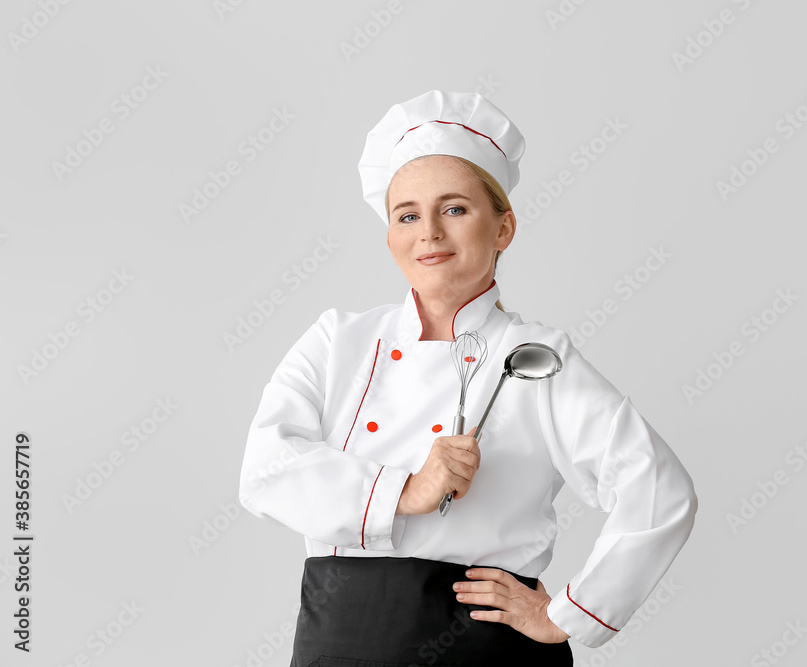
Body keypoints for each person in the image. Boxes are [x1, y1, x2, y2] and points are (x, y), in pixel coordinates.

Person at [238, 89, 698, 666]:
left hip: (479, 645)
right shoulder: (338, 340)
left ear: (503, 228)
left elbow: (658, 488)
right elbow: (264, 469)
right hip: (341, 635)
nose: (428, 232)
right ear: (390, 239)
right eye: (407, 215)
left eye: (454, 208)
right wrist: (406, 490)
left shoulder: (535, 355)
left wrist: (569, 614)